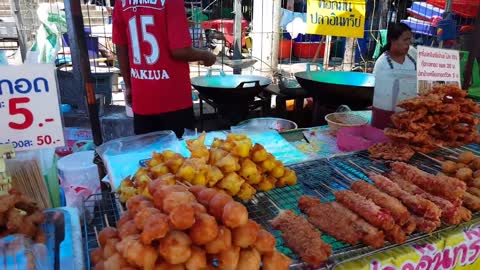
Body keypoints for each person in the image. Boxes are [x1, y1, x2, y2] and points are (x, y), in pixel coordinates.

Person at [112, 0, 216, 138]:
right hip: (174, 99)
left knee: (147, 155)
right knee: (178, 155)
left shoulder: (121, 2)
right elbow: (179, 51)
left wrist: (129, 85)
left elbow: (121, 46)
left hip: (142, 96)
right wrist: (206, 55)